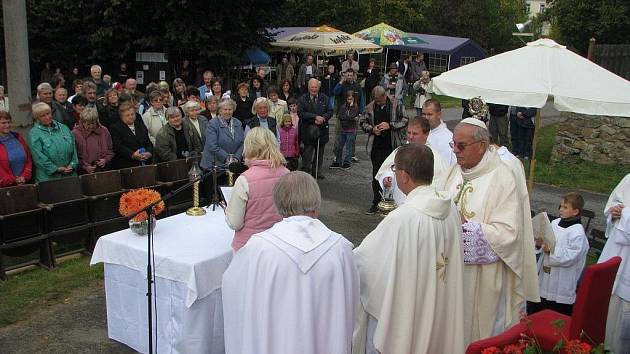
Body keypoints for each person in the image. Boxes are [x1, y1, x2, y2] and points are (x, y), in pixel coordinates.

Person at [222, 171, 358, 354]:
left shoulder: (259, 248)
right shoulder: (340, 249)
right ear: (316, 203)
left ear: (278, 204)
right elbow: (350, 304)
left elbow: (234, 290)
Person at [353, 143, 465, 354]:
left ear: (404, 175)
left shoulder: (403, 218)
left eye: (395, 169)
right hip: (439, 305)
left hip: (412, 310)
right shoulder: (450, 209)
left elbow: (366, 263)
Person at [438, 118, 539, 344]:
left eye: (461, 146)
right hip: (448, 272)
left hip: (482, 280)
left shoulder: (503, 177)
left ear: (481, 146)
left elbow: (509, 234)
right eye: (453, 144)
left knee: (473, 334)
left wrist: (466, 228)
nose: (455, 151)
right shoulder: (453, 171)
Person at [224, 127, 289, 250]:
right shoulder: (287, 174)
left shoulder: (244, 180)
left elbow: (234, 223)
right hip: (279, 244)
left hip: (249, 245)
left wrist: (227, 210)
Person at [529, 192, 589, 316]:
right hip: (544, 278)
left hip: (562, 283)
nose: (561, 209)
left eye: (565, 207)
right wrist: (539, 244)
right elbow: (546, 240)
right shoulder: (555, 223)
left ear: (576, 211)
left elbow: (572, 256)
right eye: (560, 206)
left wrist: (551, 251)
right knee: (536, 312)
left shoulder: (577, 232)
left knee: (555, 317)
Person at [375, 116, 447, 206]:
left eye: (415, 134)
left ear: (426, 134)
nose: (411, 137)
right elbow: (386, 171)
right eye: (409, 133)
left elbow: (440, 185)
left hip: (422, 206)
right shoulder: (399, 152)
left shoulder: (435, 158)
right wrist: (387, 178)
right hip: (399, 204)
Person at [360, 86, 408, 215]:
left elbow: (405, 120)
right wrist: (372, 129)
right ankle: (376, 202)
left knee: (393, 174)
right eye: (375, 101)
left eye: (380, 100)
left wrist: (390, 125)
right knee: (377, 175)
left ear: (384, 96)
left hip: (392, 146)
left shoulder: (396, 104)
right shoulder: (370, 107)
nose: (378, 103)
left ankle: (393, 202)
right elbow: (362, 121)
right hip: (376, 146)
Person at [597, 173, 630, 353]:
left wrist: (624, 213)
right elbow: (612, 202)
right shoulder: (629, 178)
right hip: (615, 251)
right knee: (606, 306)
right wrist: (614, 211)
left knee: (622, 320)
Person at [28, 102, 78, 182]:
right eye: (42, 116)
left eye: (48, 113)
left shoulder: (64, 128)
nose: (47, 117)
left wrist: (73, 164)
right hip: (48, 178)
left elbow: (74, 149)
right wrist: (55, 169)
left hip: (70, 174)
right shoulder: (34, 133)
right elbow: (38, 157)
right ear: (37, 118)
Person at [297, 78, 332, 179]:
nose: (314, 89)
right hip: (308, 129)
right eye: (312, 87)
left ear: (319, 87)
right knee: (308, 152)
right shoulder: (303, 98)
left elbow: (330, 110)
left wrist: (323, 118)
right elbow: (300, 113)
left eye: (316, 87)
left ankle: (317, 171)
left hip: (322, 129)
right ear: (308, 87)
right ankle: (306, 172)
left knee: (320, 152)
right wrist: (314, 117)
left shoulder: (324, 98)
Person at [200, 98, 244, 170]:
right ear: (220, 111)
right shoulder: (212, 124)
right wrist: (228, 158)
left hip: (234, 164)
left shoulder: (238, 123)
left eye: (230, 109)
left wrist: (236, 158)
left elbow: (242, 143)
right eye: (225, 109)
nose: (227, 112)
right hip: (214, 165)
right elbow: (212, 146)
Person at [109, 102, 153, 169]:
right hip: (127, 165)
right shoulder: (115, 128)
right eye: (127, 115)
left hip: (145, 162)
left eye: (132, 114)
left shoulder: (140, 125)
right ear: (121, 117)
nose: (131, 117)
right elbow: (118, 146)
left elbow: (148, 142)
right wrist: (133, 154)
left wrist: (149, 152)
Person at [71, 107, 114, 174]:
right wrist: (85, 166)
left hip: (105, 169)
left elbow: (111, 150)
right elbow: (74, 156)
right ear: (82, 122)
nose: (91, 126)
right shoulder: (75, 133)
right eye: (88, 124)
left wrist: (105, 160)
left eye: (93, 123)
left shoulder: (104, 130)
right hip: (84, 172)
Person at [0, 111, 32, 186]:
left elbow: (28, 160)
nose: (7, 125)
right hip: (5, 187)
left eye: (8, 122)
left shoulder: (18, 138)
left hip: (24, 182)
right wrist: (13, 180)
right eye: (3, 123)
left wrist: (24, 177)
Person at [422, 99, 456, 166]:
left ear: (439, 114)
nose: (426, 118)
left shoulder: (448, 138)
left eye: (429, 114)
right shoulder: (418, 132)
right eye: (423, 114)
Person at [330, 91, 358, 170]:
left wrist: (347, 117)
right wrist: (348, 117)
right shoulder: (343, 106)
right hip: (343, 129)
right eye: (348, 99)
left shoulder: (355, 107)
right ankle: (338, 161)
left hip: (351, 130)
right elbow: (340, 116)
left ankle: (347, 162)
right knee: (339, 146)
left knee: (348, 147)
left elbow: (352, 116)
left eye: (351, 99)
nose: (349, 101)